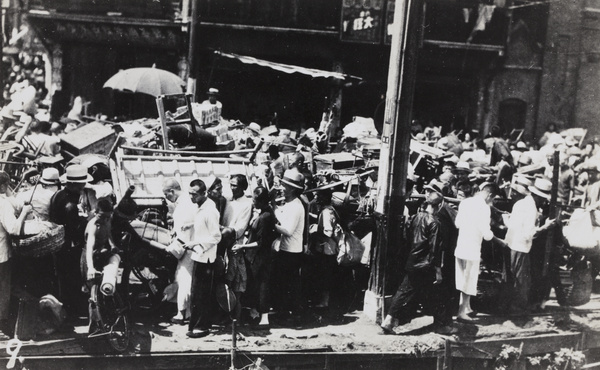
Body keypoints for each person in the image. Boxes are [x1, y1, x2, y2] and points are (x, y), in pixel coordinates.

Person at [381, 193, 454, 335]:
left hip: (413, 262)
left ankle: (388, 320)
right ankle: (442, 326)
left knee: (404, 291)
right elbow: (435, 249)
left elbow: (407, 238)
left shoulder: (416, 217)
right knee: (439, 293)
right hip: (426, 265)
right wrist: (438, 270)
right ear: (439, 205)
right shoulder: (435, 223)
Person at [504, 177, 555, 314]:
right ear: (539, 197)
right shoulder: (531, 209)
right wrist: (545, 227)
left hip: (511, 244)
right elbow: (528, 234)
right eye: (544, 199)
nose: (544, 201)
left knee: (515, 278)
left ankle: (514, 307)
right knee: (521, 281)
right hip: (521, 247)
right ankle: (518, 309)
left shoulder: (521, 203)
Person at [49, 164, 93, 314]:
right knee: (72, 277)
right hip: (68, 245)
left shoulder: (58, 194)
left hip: (58, 242)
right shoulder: (70, 205)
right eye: (81, 185)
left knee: (63, 278)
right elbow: (74, 229)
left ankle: (67, 306)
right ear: (74, 184)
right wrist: (87, 221)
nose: (82, 188)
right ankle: (73, 309)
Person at [232, 187, 277, 326]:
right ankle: (256, 314)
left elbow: (261, 243)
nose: (253, 202)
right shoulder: (264, 213)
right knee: (257, 286)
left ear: (261, 201)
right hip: (256, 257)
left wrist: (243, 246)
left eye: (255, 200)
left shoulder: (265, 217)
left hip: (261, 258)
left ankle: (264, 319)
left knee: (262, 287)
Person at [454, 182, 496, 322]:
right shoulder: (484, 208)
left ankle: (467, 308)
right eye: (493, 199)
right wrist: (492, 234)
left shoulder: (465, 203)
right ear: (490, 195)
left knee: (461, 279)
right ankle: (461, 312)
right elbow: (486, 234)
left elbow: (457, 224)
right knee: (469, 280)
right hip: (472, 249)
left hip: (461, 246)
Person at [186, 179, 222, 338]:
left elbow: (216, 237)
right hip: (198, 255)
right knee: (195, 294)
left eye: (194, 194)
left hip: (206, 258)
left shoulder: (210, 211)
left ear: (203, 194)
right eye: (190, 193)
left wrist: (196, 243)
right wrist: (188, 225)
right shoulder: (200, 207)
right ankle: (195, 324)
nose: (191, 197)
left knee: (202, 295)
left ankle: (202, 326)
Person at [0, 171, 32, 339]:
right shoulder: (2, 204)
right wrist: (25, 213)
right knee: (2, 290)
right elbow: (13, 229)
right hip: (0, 255)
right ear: (4, 186)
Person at [81, 199, 118, 333]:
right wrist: (90, 267)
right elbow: (90, 247)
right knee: (92, 292)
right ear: (95, 212)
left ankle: (107, 320)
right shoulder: (92, 225)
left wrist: (113, 245)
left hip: (101, 255)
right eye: (102, 216)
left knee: (106, 286)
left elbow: (108, 233)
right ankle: (94, 325)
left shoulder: (107, 219)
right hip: (89, 258)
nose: (105, 219)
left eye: (108, 217)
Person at [273, 169, 306, 318]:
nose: (282, 189)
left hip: (292, 252)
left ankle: (294, 315)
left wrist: (270, 223)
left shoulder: (296, 206)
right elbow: (280, 214)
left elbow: (288, 230)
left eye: (285, 186)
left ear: (292, 189)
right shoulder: (290, 204)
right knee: (284, 284)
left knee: (290, 285)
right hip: (287, 249)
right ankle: (288, 313)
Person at [162, 179, 196, 324]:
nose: (167, 198)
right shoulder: (184, 202)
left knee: (184, 279)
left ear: (172, 191)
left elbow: (185, 230)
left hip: (187, 247)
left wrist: (175, 247)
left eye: (166, 195)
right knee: (181, 277)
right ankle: (185, 311)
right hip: (187, 246)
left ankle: (182, 314)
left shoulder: (185, 204)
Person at [222, 174, 253, 321]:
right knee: (225, 284)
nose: (232, 188)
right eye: (231, 185)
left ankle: (235, 319)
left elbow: (240, 228)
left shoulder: (247, 204)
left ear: (243, 187)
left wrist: (225, 230)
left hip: (235, 246)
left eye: (235, 185)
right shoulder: (227, 201)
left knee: (236, 284)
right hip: (222, 244)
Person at [307, 187, 340, 309]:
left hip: (327, 249)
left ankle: (324, 302)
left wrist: (316, 230)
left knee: (325, 276)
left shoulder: (326, 212)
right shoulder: (329, 210)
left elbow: (328, 232)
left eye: (318, 196)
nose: (316, 199)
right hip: (328, 248)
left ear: (324, 198)